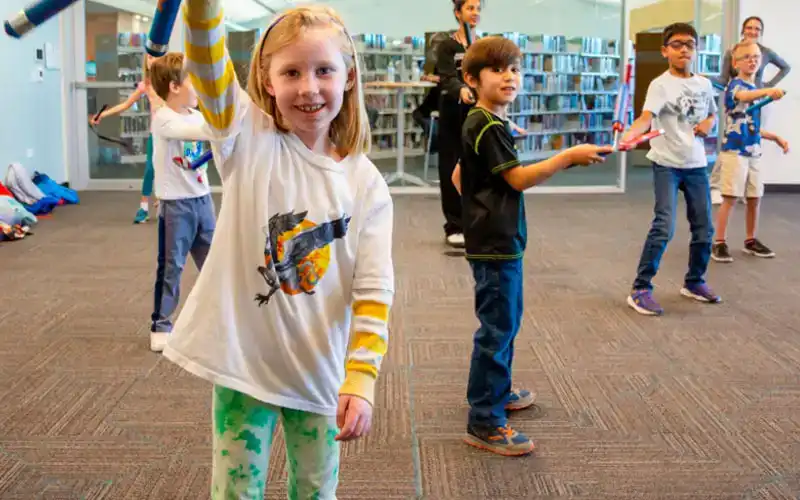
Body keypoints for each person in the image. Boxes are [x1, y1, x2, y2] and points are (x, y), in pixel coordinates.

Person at [161, 2, 394, 498]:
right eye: (291, 72)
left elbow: (374, 290)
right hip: (243, 367)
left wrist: (361, 376)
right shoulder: (245, 138)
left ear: (349, 76)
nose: (309, 87)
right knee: (236, 491)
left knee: (315, 490)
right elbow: (205, 56)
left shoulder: (365, 184)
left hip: (318, 372)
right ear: (267, 81)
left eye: (324, 70)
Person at [451, 36, 611, 456]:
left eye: (515, 69)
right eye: (497, 69)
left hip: (494, 239)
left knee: (504, 322)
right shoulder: (488, 125)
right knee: (498, 328)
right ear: (472, 79)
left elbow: (459, 176)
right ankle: (485, 419)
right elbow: (518, 179)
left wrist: (479, 207)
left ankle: (494, 391)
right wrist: (567, 157)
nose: (509, 77)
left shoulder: (484, 121)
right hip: (496, 244)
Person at [623, 23, 720, 317]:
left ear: (696, 50)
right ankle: (640, 288)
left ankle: (694, 282)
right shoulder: (660, 85)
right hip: (666, 164)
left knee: (704, 228)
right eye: (677, 44)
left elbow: (713, 113)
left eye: (689, 44)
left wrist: (709, 124)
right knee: (664, 226)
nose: (684, 49)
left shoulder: (704, 84)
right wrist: (630, 134)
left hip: (696, 164)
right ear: (665, 51)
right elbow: (645, 118)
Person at [146, 52, 217, 352]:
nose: (199, 87)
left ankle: (221, 322)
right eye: (193, 81)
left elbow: (212, 139)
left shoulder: (197, 115)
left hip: (203, 201)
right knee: (171, 266)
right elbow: (206, 132)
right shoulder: (164, 119)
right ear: (174, 87)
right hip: (176, 206)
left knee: (215, 264)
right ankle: (161, 324)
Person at [712, 40, 789, 263]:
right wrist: (769, 91)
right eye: (746, 57)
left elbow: (750, 125)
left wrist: (775, 137)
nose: (752, 60)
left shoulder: (755, 89)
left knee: (755, 197)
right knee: (730, 197)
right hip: (734, 152)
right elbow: (744, 98)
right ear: (735, 63)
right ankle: (719, 242)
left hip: (753, 152)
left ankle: (750, 240)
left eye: (756, 57)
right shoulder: (735, 86)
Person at [710, 16, 791, 205]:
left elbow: (785, 67)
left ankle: (746, 188)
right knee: (732, 140)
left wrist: (767, 86)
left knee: (752, 138)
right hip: (738, 99)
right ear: (743, 30)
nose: (753, 31)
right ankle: (716, 186)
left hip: (759, 100)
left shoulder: (766, 52)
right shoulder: (733, 52)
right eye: (749, 27)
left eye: (757, 28)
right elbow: (723, 79)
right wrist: (703, 78)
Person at [90, 55, 159, 224]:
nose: (152, 60)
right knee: (150, 170)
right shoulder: (146, 85)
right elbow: (126, 104)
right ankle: (144, 208)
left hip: (172, 134)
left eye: (155, 56)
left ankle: (166, 202)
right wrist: (102, 115)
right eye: (149, 57)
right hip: (156, 134)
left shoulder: (171, 82)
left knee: (172, 168)